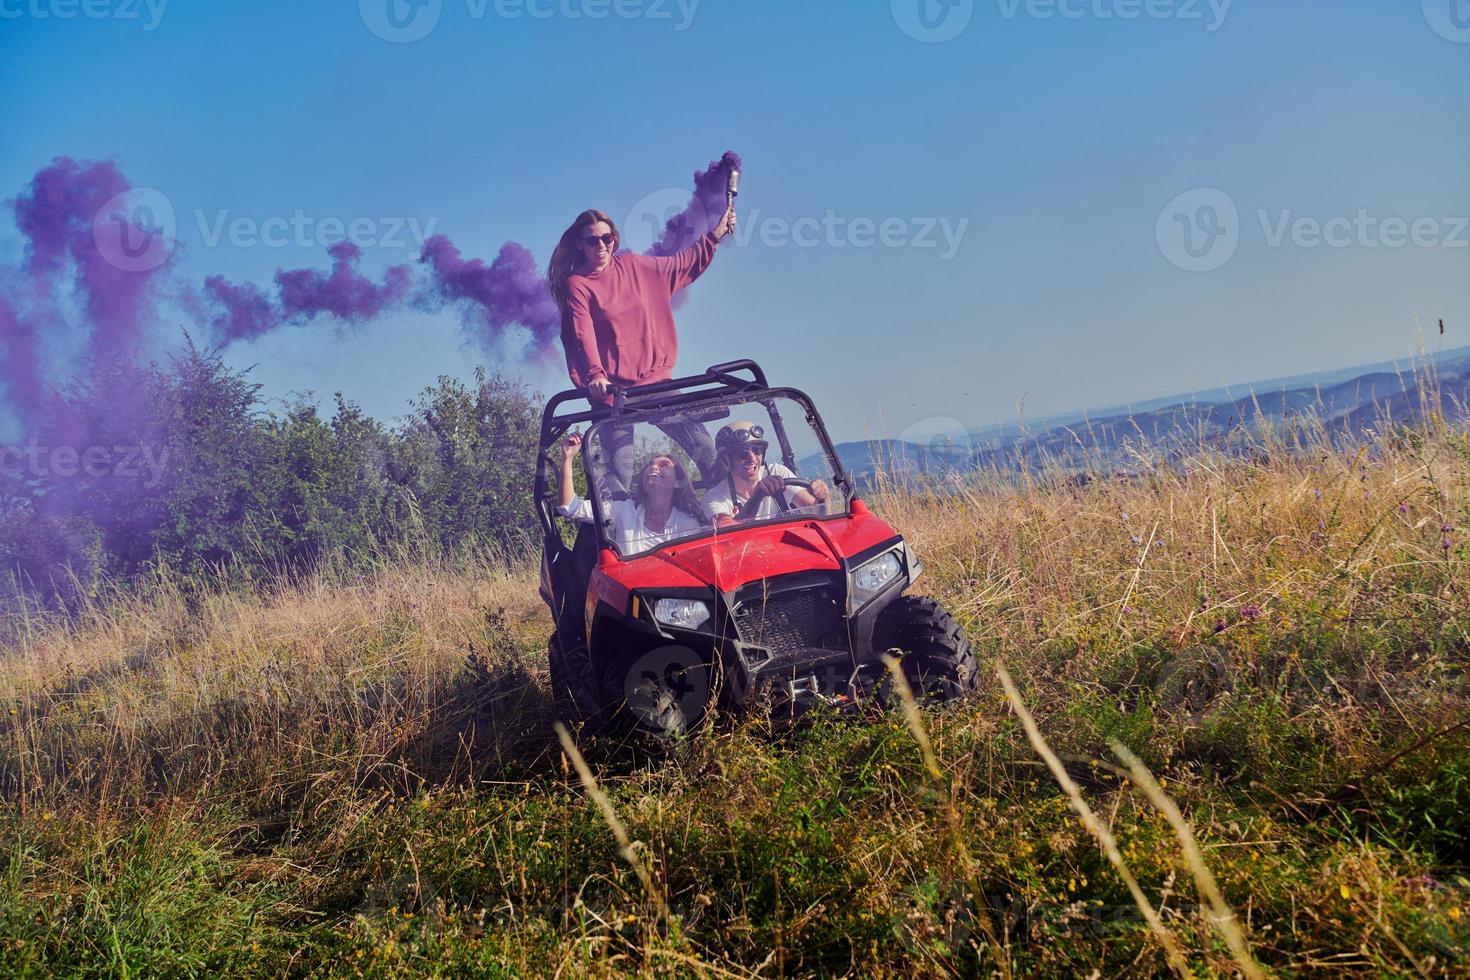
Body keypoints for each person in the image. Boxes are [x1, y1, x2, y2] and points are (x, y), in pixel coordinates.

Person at [546, 207, 737, 491]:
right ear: (579, 245)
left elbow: (679, 264)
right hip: (613, 394)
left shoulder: (635, 266)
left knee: (705, 449)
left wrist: (715, 235)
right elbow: (581, 330)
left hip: (655, 382)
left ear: (614, 238)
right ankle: (615, 532)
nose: (600, 245)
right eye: (592, 240)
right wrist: (595, 374)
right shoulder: (579, 284)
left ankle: (726, 515)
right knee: (618, 476)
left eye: (606, 238)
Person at [557, 431, 705, 555]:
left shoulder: (687, 525)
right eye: (650, 465)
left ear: (677, 481)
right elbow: (570, 507)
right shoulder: (624, 510)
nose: (653, 468)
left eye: (664, 465)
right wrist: (567, 458)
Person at [703, 421, 831, 528]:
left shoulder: (777, 473)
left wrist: (823, 497)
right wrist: (757, 497)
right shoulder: (715, 498)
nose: (752, 458)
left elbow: (817, 512)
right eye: (743, 453)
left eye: (757, 450)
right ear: (726, 460)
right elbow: (728, 535)